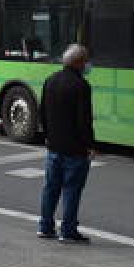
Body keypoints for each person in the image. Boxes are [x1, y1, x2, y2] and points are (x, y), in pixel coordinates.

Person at [37, 44, 96, 244]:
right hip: (75, 150)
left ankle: (45, 227)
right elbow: (84, 121)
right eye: (86, 60)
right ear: (79, 62)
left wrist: (48, 137)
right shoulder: (81, 86)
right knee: (71, 189)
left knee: (50, 188)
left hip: (53, 147)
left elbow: (42, 113)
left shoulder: (50, 81)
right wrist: (90, 145)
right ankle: (68, 231)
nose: (88, 64)